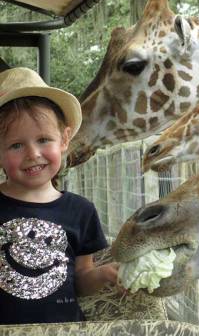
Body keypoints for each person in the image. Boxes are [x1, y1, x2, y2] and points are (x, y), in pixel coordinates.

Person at [0, 67, 118, 324]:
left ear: (64, 139)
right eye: (16, 145)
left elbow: (80, 281)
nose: (33, 154)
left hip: (64, 330)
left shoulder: (81, 211)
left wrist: (105, 274)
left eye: (43, 139)